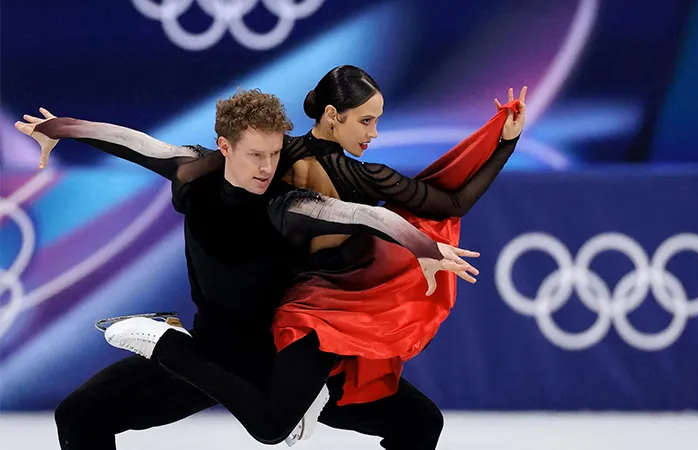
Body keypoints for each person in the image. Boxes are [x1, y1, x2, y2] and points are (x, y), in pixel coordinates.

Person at [20, 65, 526, 450]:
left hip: (284, 356)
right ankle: (166, 344)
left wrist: (425, 249)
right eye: (256, 155)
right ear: (224, 148)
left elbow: (367, 217)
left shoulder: (288, 204)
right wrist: (61, 128)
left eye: (274, 153)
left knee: (419, 423)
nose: (267, 166)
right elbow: (135, 142)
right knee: (80, 414)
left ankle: (203, 358)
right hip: (215, 353)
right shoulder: (195, 173)